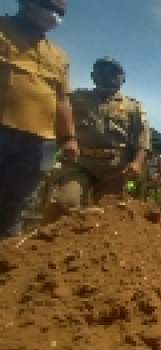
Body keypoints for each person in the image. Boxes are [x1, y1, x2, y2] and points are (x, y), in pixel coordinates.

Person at [0, 0, 76, 238]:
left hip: (39, 142)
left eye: (60, 13)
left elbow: (62, 101)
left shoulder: (59, 56)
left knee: (15, 207)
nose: (53, 15)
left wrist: (69, 138)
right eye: (48, 6)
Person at [49, 57, 150, 212]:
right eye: (101, 71)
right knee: (65, 203)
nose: (107, 76)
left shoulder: (133, 107)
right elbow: (59, 122)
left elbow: (143, 140)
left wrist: (136, 163)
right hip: (79, 163)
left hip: (115, 168)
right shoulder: (75, 99)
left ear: (123, 79)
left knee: (110, 213)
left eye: (113, 73)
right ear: (93, 75)